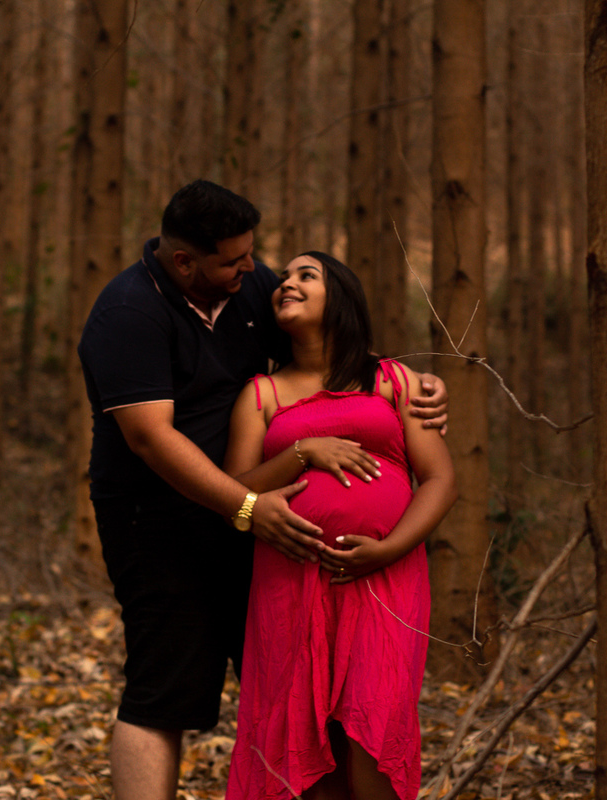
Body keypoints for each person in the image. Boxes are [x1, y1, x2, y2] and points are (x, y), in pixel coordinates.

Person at [77, 181, 449, 800]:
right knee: (165, 687)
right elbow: (150, 438)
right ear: (184, 263)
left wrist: (415, 380)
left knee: (299, 691)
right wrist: (248, 503)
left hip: (268, 527)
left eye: (252, 254)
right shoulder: (128, 313)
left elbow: (329, 344)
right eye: (235, 260)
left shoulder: (248, 286)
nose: (254, 269)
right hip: (163, 520)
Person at [223, 251, 458, 800]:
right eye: (283, 278)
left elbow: (441, 480)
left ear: (342, 299)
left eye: (306, 275)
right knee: (303, 741)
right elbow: (234, 492)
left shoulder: (392, 379)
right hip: (290, 584)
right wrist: (303, 452)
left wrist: (389, 549)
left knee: (374, 728)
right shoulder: (261, 394)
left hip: (384, 579)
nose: (287, 283)